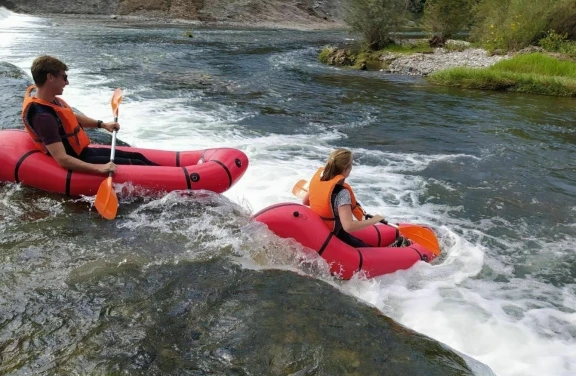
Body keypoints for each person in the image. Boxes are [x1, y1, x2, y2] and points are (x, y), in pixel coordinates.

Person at [21, 55, 157, 175]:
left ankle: (177, 172)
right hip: (78, 159)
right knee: (139, 164)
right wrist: (99, 168)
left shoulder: (50, 100)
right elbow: (62, 159)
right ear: (50, 78)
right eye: (64, 77)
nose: (67, 82)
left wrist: (102, 125)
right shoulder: (42, 116)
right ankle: (177, 179)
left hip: (83, 152)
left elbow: (71, 117)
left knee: (138, 157)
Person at [302, 148, 407, 248]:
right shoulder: (341, 193)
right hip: (333, 236)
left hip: (320, 231)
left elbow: (305, 201)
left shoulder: (319, 181)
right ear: (346, 169)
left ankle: (392, 246)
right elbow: (348, 226)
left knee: (360, 243)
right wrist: (374, 220)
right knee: (366, 251)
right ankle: (395, 249)